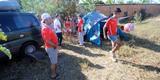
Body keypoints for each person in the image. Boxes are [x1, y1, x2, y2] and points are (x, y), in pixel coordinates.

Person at [41, 13, 59, 79]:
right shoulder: (45, 29)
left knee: (54, 61)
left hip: (53, 47)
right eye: (49, 18)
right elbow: (47, 41)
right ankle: (53, 75)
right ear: (45, 20)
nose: (51, 19)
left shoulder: (48, 26)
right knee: (53, 62)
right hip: (51, 47)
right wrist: (55, 46)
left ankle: (55, 72)